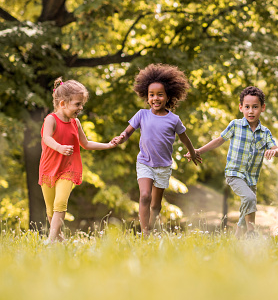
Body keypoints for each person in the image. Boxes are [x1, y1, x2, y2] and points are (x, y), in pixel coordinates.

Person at [112, 64, 201, 236]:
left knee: (155, 204)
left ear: (168, 97)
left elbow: (184, 137)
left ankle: (151, 226)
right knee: (145, 195)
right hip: (144, 162)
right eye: (151, 95)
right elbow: (127, 132)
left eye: (160, 95)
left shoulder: (174, 119)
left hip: (163, 166)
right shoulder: (141, 115)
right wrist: (120, 138)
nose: (155, 98)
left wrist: (193, 151)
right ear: (146, 96)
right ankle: (145, 233)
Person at [185, 86, 278, 237]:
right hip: (234, 174)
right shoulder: (235, 125)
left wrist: (273, 151)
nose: (251, 111)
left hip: (252, 177)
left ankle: (237, 241)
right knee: (250, 198)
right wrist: (198, 151)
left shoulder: (265, 132)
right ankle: (251, 232)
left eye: (255, 107)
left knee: (247, 208)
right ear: (241, 107)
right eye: (247, 107)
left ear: (262, 108)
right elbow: (219, 140)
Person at [39, 77, 118, 242]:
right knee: (50, 209)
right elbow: (47, 138)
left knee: (60, 202)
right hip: (49, 168)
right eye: (77, 104)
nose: (81, 108)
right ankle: (59, 239)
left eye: (82, 104)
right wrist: (60, 147)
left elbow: (86, 143)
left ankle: (50, 240)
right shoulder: (51, 119)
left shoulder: (75, 122)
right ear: (63, 104)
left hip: (68, 168)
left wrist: (108, 145)